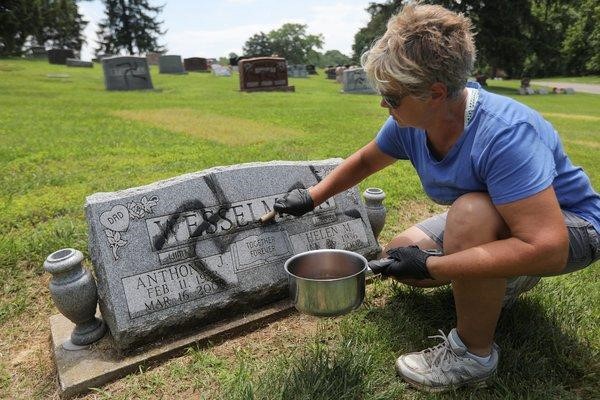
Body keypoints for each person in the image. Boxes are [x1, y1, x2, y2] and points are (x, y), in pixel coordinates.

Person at [273, 2, 600, 393]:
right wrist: (311, 197)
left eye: (392, 96)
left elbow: (548, 246)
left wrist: (436, 266)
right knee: (400, 252)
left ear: (436, 92)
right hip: (507, 218)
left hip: (572, 226)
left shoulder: (506, 134)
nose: (383, 104)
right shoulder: (415, 120)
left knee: (469, 214)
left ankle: (473, 356)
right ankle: (498, 281)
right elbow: (366, 160)